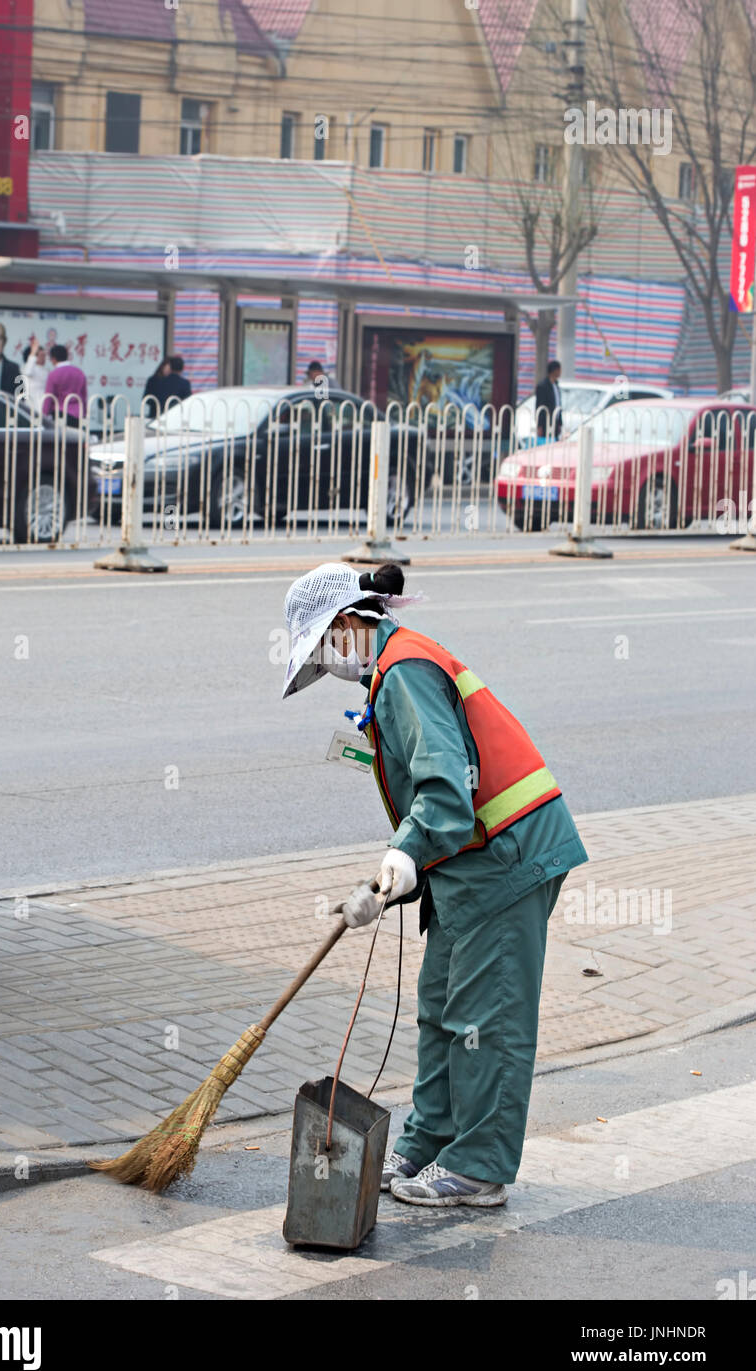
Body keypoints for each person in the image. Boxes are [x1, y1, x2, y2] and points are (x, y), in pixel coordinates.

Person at [281, 562, 588, 1208]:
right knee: (441, 1007)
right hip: (468, 864)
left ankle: (479, 1167)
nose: (324, 665)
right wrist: (398, 876)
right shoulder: (392, 669)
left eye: (321, 650)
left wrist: (403, 855)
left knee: (485, 1018)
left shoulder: (405, 671)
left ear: (345, 626)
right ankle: (429, 1142)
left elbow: (447, 791)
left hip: (506, 858)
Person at [42, 344, 87, 420]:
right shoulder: (79, 372)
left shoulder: (53, 374)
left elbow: (49, 397)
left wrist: (44, 414)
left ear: (53, 359)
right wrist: (84, 412)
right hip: (78, 413)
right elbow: (84, 395)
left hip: (60, 413)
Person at [534, 359, 563, 441]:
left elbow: (558, 404)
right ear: (554, 370)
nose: (560, 372)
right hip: (546, 422)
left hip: (555, 422)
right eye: (559, 370)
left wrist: (560, 422)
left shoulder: (556, 386)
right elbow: (539, 406)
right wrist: (539, 425)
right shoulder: (543, 386)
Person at [20, 334, 50, 410]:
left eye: (44, 355)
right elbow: (27, 372)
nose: (44, 358)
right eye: (41, 355)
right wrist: (33, 353)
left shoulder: (46, 370)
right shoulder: (27, 367)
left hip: (45, 404)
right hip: (32, 405)